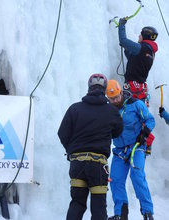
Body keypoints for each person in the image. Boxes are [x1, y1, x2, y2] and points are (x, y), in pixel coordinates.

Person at [58, 74, 123, 220]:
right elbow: (118, 131)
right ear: (105, 90)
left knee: (77, 203)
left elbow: (62, 133)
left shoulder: (74, 109)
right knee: (98, 206)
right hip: (98, 166)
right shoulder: (111, 111)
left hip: (77, 164)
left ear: (89, 88)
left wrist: (71, 150)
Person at [106, 80, 155, 220]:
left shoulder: (135, 104)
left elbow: (150, 120)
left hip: (136, 147)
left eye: (116, 97)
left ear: (121, 92)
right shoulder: (108, 110)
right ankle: (121, 214)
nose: (115, 100)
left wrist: (144, 133)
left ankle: (147, 212)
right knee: (115, 179)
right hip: (120, 150)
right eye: (111, 99)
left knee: (137, 175)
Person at [118, 17, 158, 106]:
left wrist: (121, 25)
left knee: (129, 111)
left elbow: (123, 40)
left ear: (145, 36)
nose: (139, 36)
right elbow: (134, 59)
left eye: (141, 34)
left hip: (131, 88)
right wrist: (126, 48)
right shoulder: (151, 52)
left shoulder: (140, 48)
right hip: (141, 89)